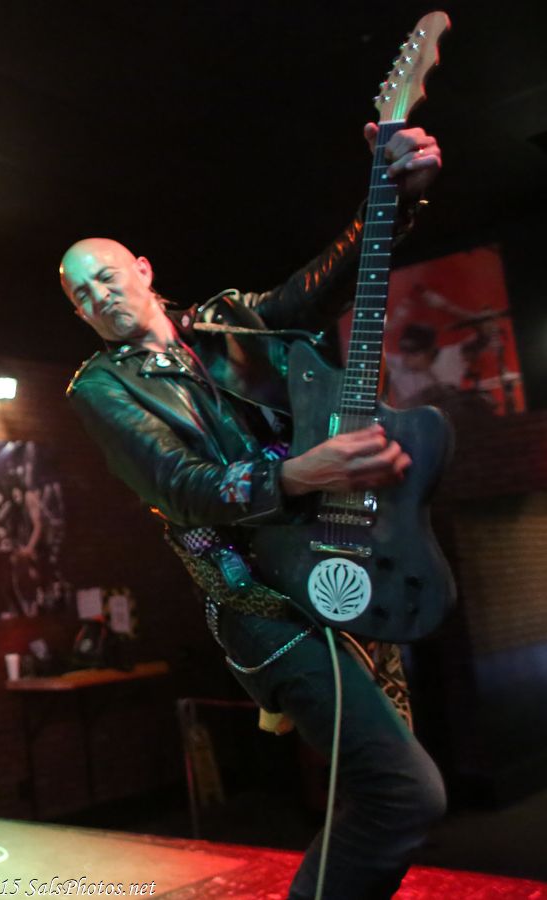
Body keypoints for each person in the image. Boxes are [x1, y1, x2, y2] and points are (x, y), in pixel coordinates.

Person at [60, 124, 446, 899]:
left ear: (143, 270)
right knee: (405, 792)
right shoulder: (101, 387)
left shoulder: (227, 320)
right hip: (257, 603)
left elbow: (320, 284)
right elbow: (181, 486)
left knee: (378, 793)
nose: (97, 297)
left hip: (336, 563)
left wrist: (392, 200)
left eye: (104, 276)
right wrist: (297, 474)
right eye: (80, 295)